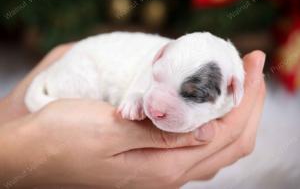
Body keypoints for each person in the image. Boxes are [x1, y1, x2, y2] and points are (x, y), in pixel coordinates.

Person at [0, 44, 266, 188]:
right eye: (157, 78)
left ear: (233, 89)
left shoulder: (229, 82)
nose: (157, 107)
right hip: (85, 65)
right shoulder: (165, 57)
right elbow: (138, 84)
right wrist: (22, 153)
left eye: (192, 94)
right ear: (159, 57)